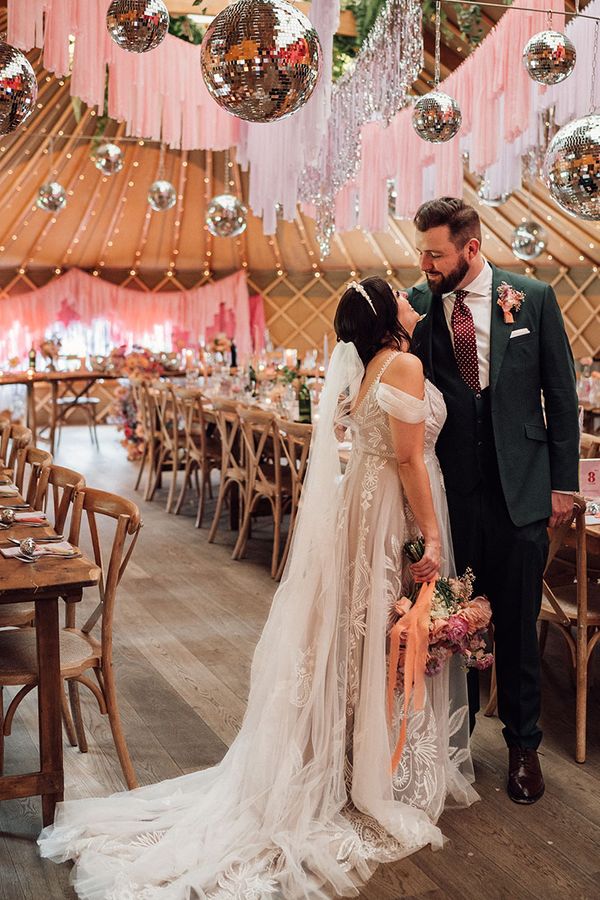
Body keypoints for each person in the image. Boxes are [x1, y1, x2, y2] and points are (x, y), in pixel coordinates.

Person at [38, 278, 477, 899]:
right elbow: (407, 459)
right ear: (388, 319)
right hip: (393, 508)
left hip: (365, 504)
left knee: (361, 628)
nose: (413, 300)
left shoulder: (372, 365)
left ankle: (358, 756)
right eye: (401, 298)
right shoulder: (402, 362)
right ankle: (372, 769)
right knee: (377, 625)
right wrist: (431, 537)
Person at [407, 197, 579, 805]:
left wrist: (563, 484)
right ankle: (455, 743)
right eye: (421, 251)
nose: (423, 263)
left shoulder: (531, 297)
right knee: (450, 623)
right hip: (452, 497)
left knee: (517, 626)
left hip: (523, 493)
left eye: (434, 253)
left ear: (470, 249)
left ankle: (524, 746)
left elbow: (560, 396)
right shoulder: (420, 303)